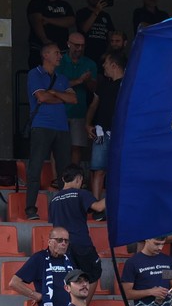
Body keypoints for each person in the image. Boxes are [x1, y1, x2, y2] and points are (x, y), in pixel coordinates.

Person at [26, 43, 77, 220]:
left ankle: (65, 210)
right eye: (56, 53)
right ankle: (30, 208)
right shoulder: (34, 74)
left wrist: (54, 93)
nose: (60, 56)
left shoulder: (62, 78)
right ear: (45, 55)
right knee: (35, 167)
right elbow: (41, 96)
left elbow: (73, 99)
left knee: (65, 170)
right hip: (41, 126)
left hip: (62, 128)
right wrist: (61, 97)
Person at [49, 166, 103, 285]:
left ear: (63, 179)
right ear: (79, 179)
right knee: (92, 275)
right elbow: (99, 207)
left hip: (62, 246)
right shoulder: (81, 193)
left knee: (71, 280)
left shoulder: (53, 200)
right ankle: (85, 299)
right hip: (81, 243)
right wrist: (114, 194)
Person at [85, 49, 125, 197]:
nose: (103, 66)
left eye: (106, 63)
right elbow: (93, 105)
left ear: (114, 65)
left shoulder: (128, 85)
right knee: (98, 169)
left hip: (121, 133)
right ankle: (96, 204)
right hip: (101, 132)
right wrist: (87, 124)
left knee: (119, 169)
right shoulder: (103, 84)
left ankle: (116, 204)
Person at [58, 32, 97, 167]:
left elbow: (94, 89)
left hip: (79, 111)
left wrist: (88, 81)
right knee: (57, 147)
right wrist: (79, 80)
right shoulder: (59, 61)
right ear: (68, 44)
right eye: (76, 45)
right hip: (59, 111)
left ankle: (74, 176)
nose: (79, 48)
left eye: (82, 46)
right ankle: (56, 177)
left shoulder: (90, 63)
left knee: (77, 147)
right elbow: (56, 85)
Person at [27, 0, 74, 67]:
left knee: (61, 75)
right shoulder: (36, 3)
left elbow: (71, 21)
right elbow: (37, 21)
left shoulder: (65, 5)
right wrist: (45, 40)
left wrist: (48, 20)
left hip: (62, 51)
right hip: (41, 49)